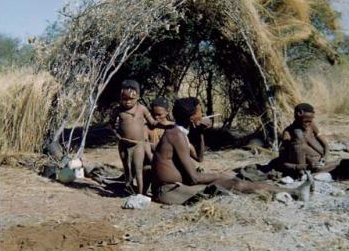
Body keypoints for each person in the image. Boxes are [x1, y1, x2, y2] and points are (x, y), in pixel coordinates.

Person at [150, 97, 312, 205]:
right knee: (231, 184)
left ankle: (292, 192)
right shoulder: (176, 135)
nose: (203, 114)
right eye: (200, 112)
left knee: (234, 184)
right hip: (171, 191)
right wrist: (218, 175)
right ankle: (294, 192)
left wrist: (200, 133)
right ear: (192, 117)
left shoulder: (179, 133)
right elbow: (193, 178)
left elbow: (199, 158)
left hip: (178, 187)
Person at [109, 80, 158, 195]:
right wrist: (116, 134)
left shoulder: (142, 109)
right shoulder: (118, 110)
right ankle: (129, 190)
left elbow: (152, 122)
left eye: (131, 99)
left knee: (138, 169)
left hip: (138, 144)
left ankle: (140, 194)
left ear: (138, 97)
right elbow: (110, 124)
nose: (127, 102)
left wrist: (161, 122)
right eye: (124, 99)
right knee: (127, 169)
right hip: (123, 144)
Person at [275, 103, 329, 177]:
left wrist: (325, 158)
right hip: (304, 166)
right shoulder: (288, 133)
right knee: (298, 136)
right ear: (298, 114)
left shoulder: (311, 125)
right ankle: (301, 174)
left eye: (310, 121)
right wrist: (305, 166)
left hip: (319, 161)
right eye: (306, 121)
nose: (308, 124)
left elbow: (325, 144)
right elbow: (283, 162)